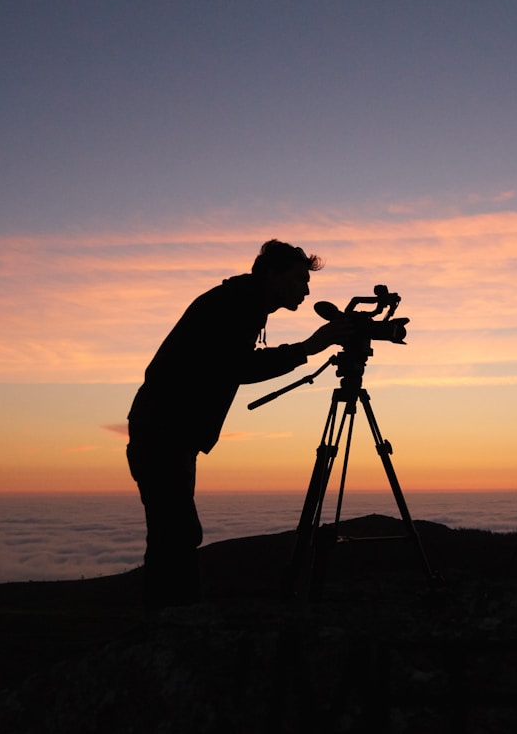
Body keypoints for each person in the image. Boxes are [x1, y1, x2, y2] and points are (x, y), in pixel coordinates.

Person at [126, 240, 351, 612]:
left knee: (174, 534)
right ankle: (171, 627)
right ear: (270, 274)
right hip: (164, 433)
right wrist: (308, 349)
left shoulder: (241, 303)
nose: (307, 290)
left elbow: (232, 365)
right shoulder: (235, 306)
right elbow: (239, 367)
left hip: (168, 433)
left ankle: (169, 624)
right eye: (298, 279)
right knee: (176, 535)